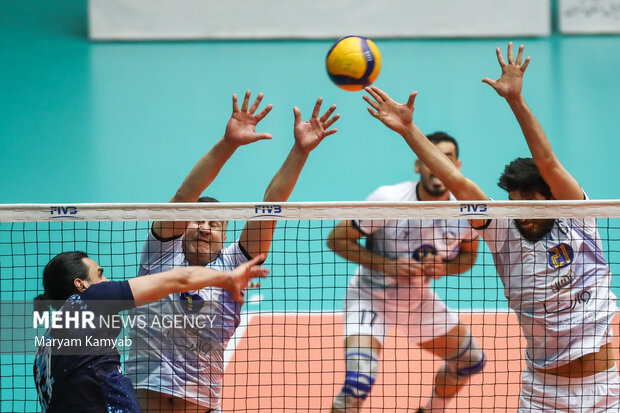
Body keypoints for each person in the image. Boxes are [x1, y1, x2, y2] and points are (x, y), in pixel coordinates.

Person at [362, 43, 619, 412]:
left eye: (530, 201)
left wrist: (516, 100)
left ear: (553, 198)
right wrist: (408, 130)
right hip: (543, 395)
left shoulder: (577, 216)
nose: (522, 212)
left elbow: (547, 161)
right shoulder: (502, 232)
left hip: (604, 391)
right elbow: (456, 180)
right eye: (515, 202)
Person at [124, 91, 340, 412]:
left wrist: (300, 150)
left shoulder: (234, 264)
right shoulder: (161, 254)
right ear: (184, 226)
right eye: (198, 221)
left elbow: (270, 205)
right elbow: (186, 194)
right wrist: (229, 144)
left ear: (225, 235)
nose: (205, 227)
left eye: (215, 224)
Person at [327, 131, 485, 413]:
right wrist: (388, 265)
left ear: (457, 166)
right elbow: (336, 239)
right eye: (429, 157)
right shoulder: (389, 199)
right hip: (370, 297)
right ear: (417, 165)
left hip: (417, 301)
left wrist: (445, 268)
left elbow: (469, 257)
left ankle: (431, 410)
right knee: (357, 385)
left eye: (445, 158)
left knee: (470, 361)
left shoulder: (466, 211)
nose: (437, 164)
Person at [33, 250, 268, 413]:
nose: (107, 280)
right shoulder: (91, 299)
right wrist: (228, 278)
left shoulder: (45, 347)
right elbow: (179, 278)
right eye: (99, 274)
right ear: (80, 284)